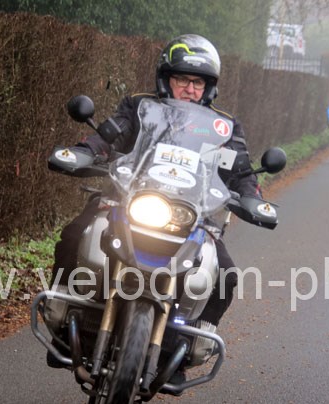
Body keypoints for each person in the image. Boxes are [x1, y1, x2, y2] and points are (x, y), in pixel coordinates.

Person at [47, 34, 260, 370]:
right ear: (165, 78)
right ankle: (62, 317)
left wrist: (252, 197)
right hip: (127, 200)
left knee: (226, 274)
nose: (190, 89)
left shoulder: (224, 127)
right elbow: (107, 137)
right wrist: (84, 152)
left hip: (193, 215)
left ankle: (187, 347)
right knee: (74, 235)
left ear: (210, 87)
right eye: (182, 79)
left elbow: (242, 170)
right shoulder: (139, 106)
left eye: (199, 82)